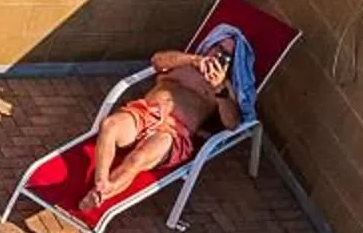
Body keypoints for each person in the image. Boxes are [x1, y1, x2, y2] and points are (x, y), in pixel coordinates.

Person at [80, 38, 245, 213]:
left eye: (225, 55)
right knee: (110, 125)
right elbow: (157, 60)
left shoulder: (224, 87)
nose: (218, 54)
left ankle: (100, 194)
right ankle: (101, 182)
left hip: (174, 132)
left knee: (137, 159)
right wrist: (193, 59)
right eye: (217, 47)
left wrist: (219, 89)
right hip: (146, 112)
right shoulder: (185, 62)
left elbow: (232, 123)